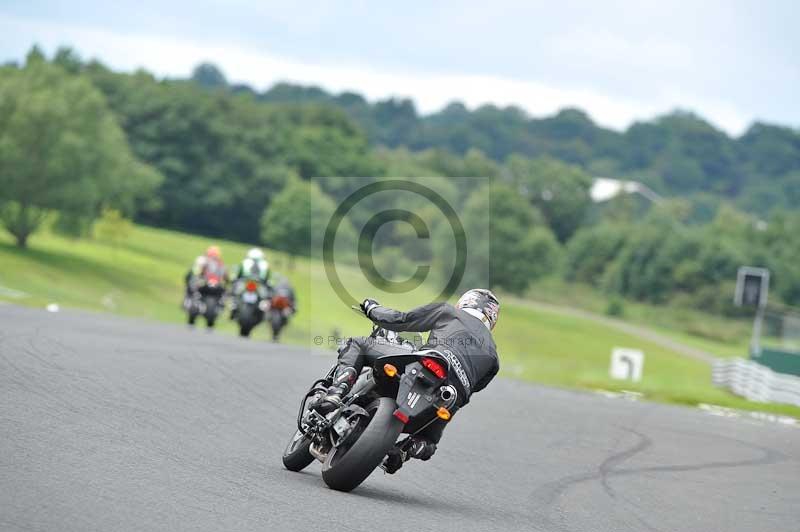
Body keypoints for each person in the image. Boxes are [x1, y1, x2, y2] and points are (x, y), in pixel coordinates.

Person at [312, 289, 500, 473]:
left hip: (426, 363)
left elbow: (401, 320)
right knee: (430, 440)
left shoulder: (449, 312)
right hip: (449, 394)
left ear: (466, 302)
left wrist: (372, 308)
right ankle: (405, 451)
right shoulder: (493, 356)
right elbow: (473, 391)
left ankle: (337, 392)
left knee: (357, 344)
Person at [230, 248, 272, 318]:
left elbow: (239, 275)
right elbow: (267, 279)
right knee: (265, 298)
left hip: (246, 281)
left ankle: (234, 305)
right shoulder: (265, 264)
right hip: (259, 283)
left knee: (235, 294)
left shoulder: (244, 262)